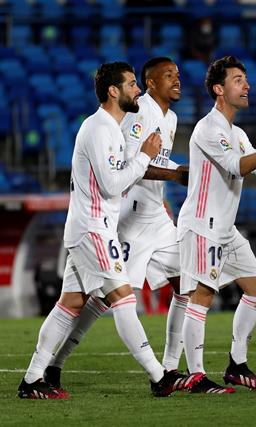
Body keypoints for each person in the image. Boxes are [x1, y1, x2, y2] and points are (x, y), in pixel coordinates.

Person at [17, 62, 202, 399]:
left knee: (70, 304)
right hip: (94, 229)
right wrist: (145, 158)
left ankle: (34, 379)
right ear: (114, 91)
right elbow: (113, 184)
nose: (137, 91)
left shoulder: (109, 128)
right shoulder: (99, 128)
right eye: (132, 85)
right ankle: (160, 375)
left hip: (93, 228)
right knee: (123, 299)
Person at [177, 56, 256, 392]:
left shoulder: (237, 132)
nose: (247, 86)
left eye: (246, 79)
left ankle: (237, 365)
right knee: (201, 296)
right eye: (238, 80)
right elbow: (237, 166)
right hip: (202, 225)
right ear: (219, 89)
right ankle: (197, 376)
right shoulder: (207, 128)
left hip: (225, 229)